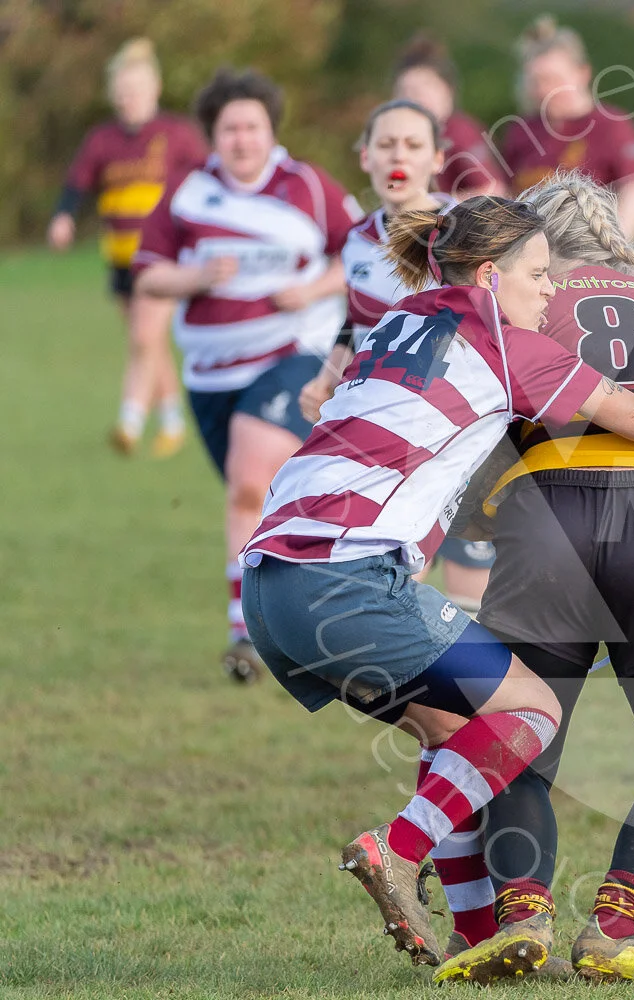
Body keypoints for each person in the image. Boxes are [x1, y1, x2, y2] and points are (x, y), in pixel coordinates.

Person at [239, 195, 634, 968]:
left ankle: (479, 935)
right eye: (538, 274)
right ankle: (397, 846)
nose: (550, 291)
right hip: (348, 578)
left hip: (269, 587)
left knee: (454, 734)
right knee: (534, 711)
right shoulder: (506, 341)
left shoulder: (399, 319)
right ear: (490, 276)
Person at [433, 172, 634, 984]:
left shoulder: (515, 306)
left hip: (544, 519)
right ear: (616, 236)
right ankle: (617, 925)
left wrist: (482, 520)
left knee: (518, 741)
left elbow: (466, 431)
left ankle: (524, 913)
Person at [133, 68, 359, 683]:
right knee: (258, 499)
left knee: (248, 480)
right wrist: (195, 279)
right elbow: (147, 273)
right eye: (230, 129)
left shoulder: (307, 185)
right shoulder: (187, 193)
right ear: (213, 135)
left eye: (252, 127)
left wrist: (311, 287)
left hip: (293, 352)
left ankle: (246, 633)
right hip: (210, 373)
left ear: (270, 131)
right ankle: (298, 609)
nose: (242, 139)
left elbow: (362, 250)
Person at [298, 100, 496, 623]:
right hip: (387, 438)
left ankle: (494, 699)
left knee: (473, 597)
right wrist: (326, 379)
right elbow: (354, 320)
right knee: (396, 582)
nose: (396, 156)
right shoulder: (358, 241)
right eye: (385, 145)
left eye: (411, 145)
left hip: (460, 434)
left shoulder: (461, 236)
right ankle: (420, 693)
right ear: (365, 157)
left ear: (437, 158)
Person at [50, 38, 207, 457]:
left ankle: (129, 420)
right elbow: (76, 184)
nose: (128, 100)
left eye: (135, 91)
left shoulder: (177, 134)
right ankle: (172, 420)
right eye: (121, 93)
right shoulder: (102, 139)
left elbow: (210, 179)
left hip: (162, 260)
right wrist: (63, 217)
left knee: (144, 334)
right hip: (120, 259)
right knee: (147, 341)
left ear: (154, 89)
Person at [497, 17, 634, 238]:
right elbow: (505, 193)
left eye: (554, 79)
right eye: (537, 81)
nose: (545, 90)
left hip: (589, 248)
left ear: (583, 73)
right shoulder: (522, 130)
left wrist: (614, 245)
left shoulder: (611, 125)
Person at [393, 33, 506, 198]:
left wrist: (434, 207)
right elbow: (389, 187)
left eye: (424, 88)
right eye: (406, 91)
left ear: (447, 90)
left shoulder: (459, 132)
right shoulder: (401, 139)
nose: (414, 98)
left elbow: (493, 190)